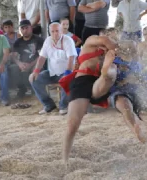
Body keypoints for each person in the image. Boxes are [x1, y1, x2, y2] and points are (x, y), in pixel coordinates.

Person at [59, 34, 118, 163]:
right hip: (83, 80)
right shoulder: (90, 41)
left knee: (110, 72)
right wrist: (114, 45)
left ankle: (105, 71)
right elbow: (105, 40)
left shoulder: (111, 54)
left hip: (100, 84)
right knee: (72, 124)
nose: (108, 38)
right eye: (108, 33)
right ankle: (65, 160)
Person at [110, 40, 147, 153]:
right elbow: (108, 79)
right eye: (129, 49)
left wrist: (137, 79)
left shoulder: (140, 64)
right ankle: (136, 130)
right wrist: (123, 79)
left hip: (139, 93)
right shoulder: (114, 62)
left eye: (134, 49)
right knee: (125, 106)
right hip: (120, 92)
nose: (132, 51)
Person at [29, 23, 77, 115]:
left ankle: (63, 106)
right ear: (49, 32)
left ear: (61, 31)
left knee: (67, 79)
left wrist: (67, 73)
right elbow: (42, 57)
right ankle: (48, 105)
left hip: (66, 72)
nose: (55, 33)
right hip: (52, 73)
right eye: (52, 31)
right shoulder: (48, 40)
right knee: (33, 79)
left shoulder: (68, 40)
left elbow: (71, 57)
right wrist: (36, 71)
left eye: (57, 31)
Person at [10, 20, 44, 98]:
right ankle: (22, 89)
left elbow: (41, 56)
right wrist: (19, 64)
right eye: (22, 28)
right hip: (23, 63)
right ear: (20, 30)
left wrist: (31, 64)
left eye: (27, 28)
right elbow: (13, 56)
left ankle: (34, 89)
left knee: (37, 68)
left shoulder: (38, 40)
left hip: (36, 63)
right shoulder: (18, 42)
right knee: (13, 68)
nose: (25, 30)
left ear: (31, 28)